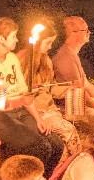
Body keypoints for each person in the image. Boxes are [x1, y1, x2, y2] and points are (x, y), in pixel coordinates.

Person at [0, 17, 64, 180]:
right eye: (13, 37)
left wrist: (38, 119)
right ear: (1, 39)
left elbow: (25, 94)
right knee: (41, 147)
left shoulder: (11, 59)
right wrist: (21, 102)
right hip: (1, 116)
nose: (17, 40)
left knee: (56, 144)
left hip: (21, 110)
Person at [16, 24, 80, 158]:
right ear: (38, 40)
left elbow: (51, 88)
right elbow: (20, 93)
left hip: (51, 110)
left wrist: (70, 88)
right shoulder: (21, 61)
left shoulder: (46, 61)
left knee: (63, 148)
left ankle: (65, 172)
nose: (50, 47)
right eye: (48, 42)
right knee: (69, 130)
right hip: (36, 111)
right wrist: (32, 90)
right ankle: (81, 162)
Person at [52, 16, 94, 123]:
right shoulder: (65, 58)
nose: (89, 32)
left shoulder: (72, 54)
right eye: (85, 29)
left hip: (82, 102)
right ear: (73, 33)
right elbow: (78, 94)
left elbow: (86, 86)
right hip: (73, 108)